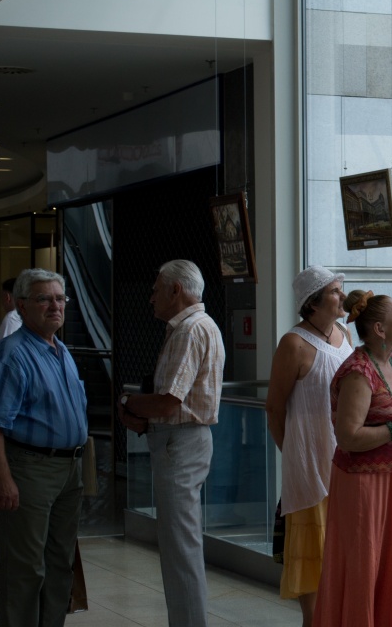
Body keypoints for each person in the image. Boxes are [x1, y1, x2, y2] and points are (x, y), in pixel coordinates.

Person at [313, 291, 392, 627]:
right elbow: (348, 437)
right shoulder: (359, 372)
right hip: (368, 489)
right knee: (367, 570)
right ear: (380, 329)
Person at [117, 260, 224, 627]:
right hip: (181, 439)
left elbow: (168, 402)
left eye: (156, 290)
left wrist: (127, 403)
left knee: (181, 549)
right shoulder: (196, 326)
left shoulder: (189, 330)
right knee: (181, 545)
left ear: (176, 290)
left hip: (181, 443)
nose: (151, 298)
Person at [0, 268, 87, 627]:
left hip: (69, 471)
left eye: (60, 298)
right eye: (44, 299)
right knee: (25, 568)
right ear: (21, 305)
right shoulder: (13, 354)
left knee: (60, 564)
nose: (55, 306)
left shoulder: (60, 350)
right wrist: (3, 479)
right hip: (30, 469)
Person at [265, 267, 352, 627]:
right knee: (313, 572)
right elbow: (274, 407)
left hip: (343, 465)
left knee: (342, 563)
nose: (342, 296)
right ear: (313, 303)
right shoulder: (294, 343)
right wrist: (294, 456)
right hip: (309, 470)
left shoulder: (345, 335)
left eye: (341, 289)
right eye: (334, 291)